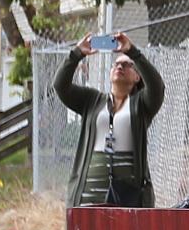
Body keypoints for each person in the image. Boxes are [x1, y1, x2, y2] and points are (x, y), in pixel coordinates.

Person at [53, 32, 164, 208]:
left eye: (127, 65)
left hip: (129, 201)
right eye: (117, 64)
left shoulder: (142, 105)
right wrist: (77, 54)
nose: (120, 66)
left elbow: (157, 86)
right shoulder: (92, 100)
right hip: (87, 199)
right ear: (110, 72)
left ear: (137, 77)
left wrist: (133, 52)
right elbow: (60, 85)